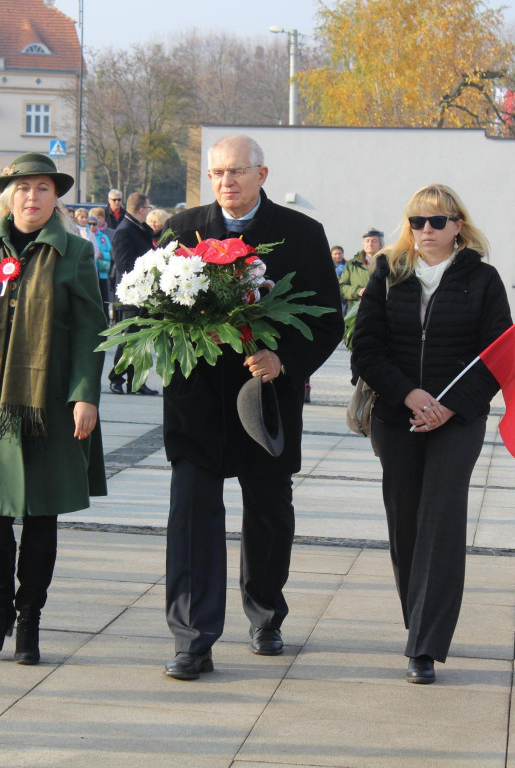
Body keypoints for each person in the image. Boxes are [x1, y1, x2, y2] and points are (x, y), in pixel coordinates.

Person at [160, 135, 344, 680]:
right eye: (217, 173)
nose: (226, 182)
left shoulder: (301, 233)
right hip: (196, 402)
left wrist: (284, 359)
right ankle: (192, 639)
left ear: (262, 175)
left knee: (267, 514)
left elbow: (327, 320)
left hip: (264, 401)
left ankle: (265, 613)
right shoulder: (180, 230)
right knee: (191, 516)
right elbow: (148, 307)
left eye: (237, 171)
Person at [0, 152, 107, 665]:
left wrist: (85, 394)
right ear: (8, 196)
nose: (31, 197)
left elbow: (89, 330)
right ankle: (0, 612)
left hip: (50, 403)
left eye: (42, 188)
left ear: (56, 198)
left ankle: (30, 619)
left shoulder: (76, 252)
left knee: (41, 516)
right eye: (23, 188)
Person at [351, 184, 512, 685]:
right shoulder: (388, 271)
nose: (426, 230)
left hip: (457, 422)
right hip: (396, 417)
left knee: (440, 522)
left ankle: (424, 645)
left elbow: (497, 356)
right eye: (417, 221)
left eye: (437, 221)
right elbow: (366, 348)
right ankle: (417, 621)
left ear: (458, 225)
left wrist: (448, 407)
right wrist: (410, 395)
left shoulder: (482, 279)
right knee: (405, 525)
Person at [108, 192, 158, 395]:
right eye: (148, 208)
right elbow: (123, 264)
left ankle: (136, 382)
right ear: (141, 209)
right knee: (129, 340)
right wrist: (146, 271)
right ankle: (116, 378)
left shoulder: (138, 228)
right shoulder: (125, 230)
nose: (149, 212)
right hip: (131, 294)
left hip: (143, 294)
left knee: (140, 341)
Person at [339, 228, 382, 348]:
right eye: (367, 241)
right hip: (357, 313)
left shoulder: (388, 262)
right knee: (358, 347)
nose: (370, 243)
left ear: (380, 244)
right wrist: (358, 291)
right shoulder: (352, 264)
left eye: (374, 241)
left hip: (381, 313)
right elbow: (341, 287)